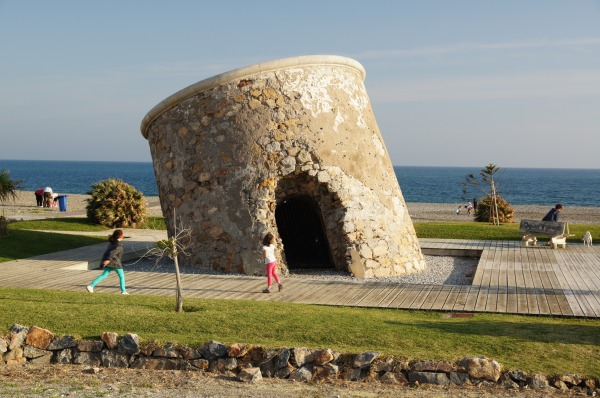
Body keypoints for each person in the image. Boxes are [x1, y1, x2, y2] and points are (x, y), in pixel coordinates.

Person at [86, 229, 128, 294]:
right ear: (121, 236)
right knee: (121, 276)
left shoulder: (112, 243)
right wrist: (108, 260)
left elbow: (107, 252)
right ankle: (123, 291)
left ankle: (91, 286)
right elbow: (113, 253)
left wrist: (106, 260)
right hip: (115, 262)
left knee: (104, 275)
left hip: (109, 262)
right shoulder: (119, 245)